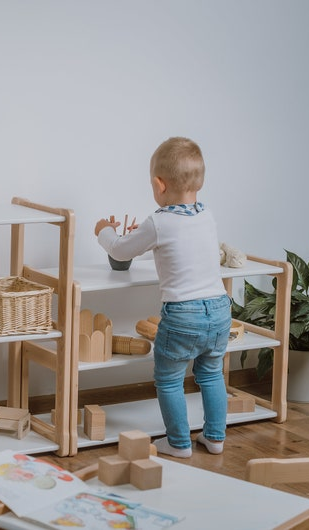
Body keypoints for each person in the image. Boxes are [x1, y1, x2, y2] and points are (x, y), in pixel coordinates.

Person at [94, 136, 231, 458]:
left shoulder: (159, 221)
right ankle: (215, 438)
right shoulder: (206, 215)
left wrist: (103, 230)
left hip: (184, 314)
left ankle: (179, 443)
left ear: (159, 184)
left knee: (169, 379)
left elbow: (119, 249)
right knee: (211, 375)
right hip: (220, 309)